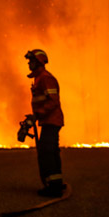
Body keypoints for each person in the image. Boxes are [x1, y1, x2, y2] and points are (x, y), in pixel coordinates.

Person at [25, 48, 65, 197]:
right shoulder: (39, 78)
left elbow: (53, 101)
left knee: (47, 153)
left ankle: (54, 188)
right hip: (47, 120)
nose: (29, 64)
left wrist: (38, 115)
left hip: (52, 120)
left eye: (32, 61)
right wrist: (35, 116)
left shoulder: (46, 78)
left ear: (39, 62)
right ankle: (54, 184)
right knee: (49, 152)